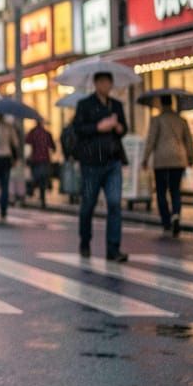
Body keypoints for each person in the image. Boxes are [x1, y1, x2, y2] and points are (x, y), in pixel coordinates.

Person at [74, 71, 128, 261]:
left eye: (108, 82)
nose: (106, 86)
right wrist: (99, 126)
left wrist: (118, 127)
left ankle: (113, 248)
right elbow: (77, 130)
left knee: (114, 203)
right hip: (91, 163)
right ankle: (85, 241)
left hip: (113, 161)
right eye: (102, 82)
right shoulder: (85, 105)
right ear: (96, 84)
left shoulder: (116, 105)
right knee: (88, 205)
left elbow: (124, 129)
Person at [142, 95, 193, 237]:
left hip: (161, 161)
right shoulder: (181, 120)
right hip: (178, 159)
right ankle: (176, 214)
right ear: (172, 103)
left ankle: (166, 222)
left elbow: (151, 140)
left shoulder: (156, 120)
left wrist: (145, 159)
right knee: (175, 190)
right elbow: (188, 140)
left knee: (161, 192)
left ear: (161, 103)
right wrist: (190, 158)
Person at [25, 116, 56, 208]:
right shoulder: (47, 133)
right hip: (45, 159)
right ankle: (42, 199)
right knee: (42, 179)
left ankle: (31, 191)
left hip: (35, 160)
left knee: (36, 177)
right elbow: (53, 147)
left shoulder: (32, 132)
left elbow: (27, 143)